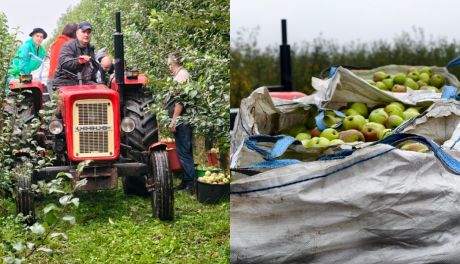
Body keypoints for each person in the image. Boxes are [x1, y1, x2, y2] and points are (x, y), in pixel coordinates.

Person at [164, 51, 195, 194]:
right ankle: (186, 180)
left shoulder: (182, 76)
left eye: (169, 63)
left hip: (182, 121)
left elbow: (180, 102)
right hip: (182, 120)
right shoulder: (180, 75)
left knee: (184, 152)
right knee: (182, 150)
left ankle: (191, 185)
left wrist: (174, 121)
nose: (168, 66)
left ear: (172, 63)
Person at [53, 21, 97, 87]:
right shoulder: (68, 46)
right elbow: (63, 62)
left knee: (101, 89)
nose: (86, 35)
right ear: (77, 33)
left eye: (88, 32)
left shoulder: (90, 48)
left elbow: (93, 68)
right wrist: (79, 61)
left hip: (83, 81)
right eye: (83, 32)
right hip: (64, 81)